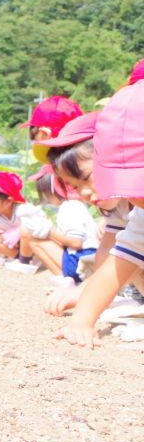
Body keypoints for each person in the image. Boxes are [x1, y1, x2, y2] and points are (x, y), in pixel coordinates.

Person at [55, 83, 144, 346]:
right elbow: (114, 268)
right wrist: (82, 321)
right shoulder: (140, 214)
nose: (135, 197)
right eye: (126, 187)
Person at [33, 112, 144, 317]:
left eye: (86, 178)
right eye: (75, 186)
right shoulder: (118, 206)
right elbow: (109, 253)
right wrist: (85, 293)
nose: (83, 192)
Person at [23, 165, 99, 283]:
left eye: (46, 193)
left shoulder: (69, 207)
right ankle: (66, 279)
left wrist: (49, 231)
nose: (47, 198)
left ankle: (65, 279)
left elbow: (75, 242)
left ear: (54, 189)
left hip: (81, 259)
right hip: (88, 257)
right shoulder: (75, 204)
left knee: (35, 242)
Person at [0, 172, 49, 269]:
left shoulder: (23, 210)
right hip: (22, 248)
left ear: (8, 201)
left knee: (25, 229)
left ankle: (25, 263)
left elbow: (43, 224)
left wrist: (18, 231)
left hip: (39, 245)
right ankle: (22, 259)